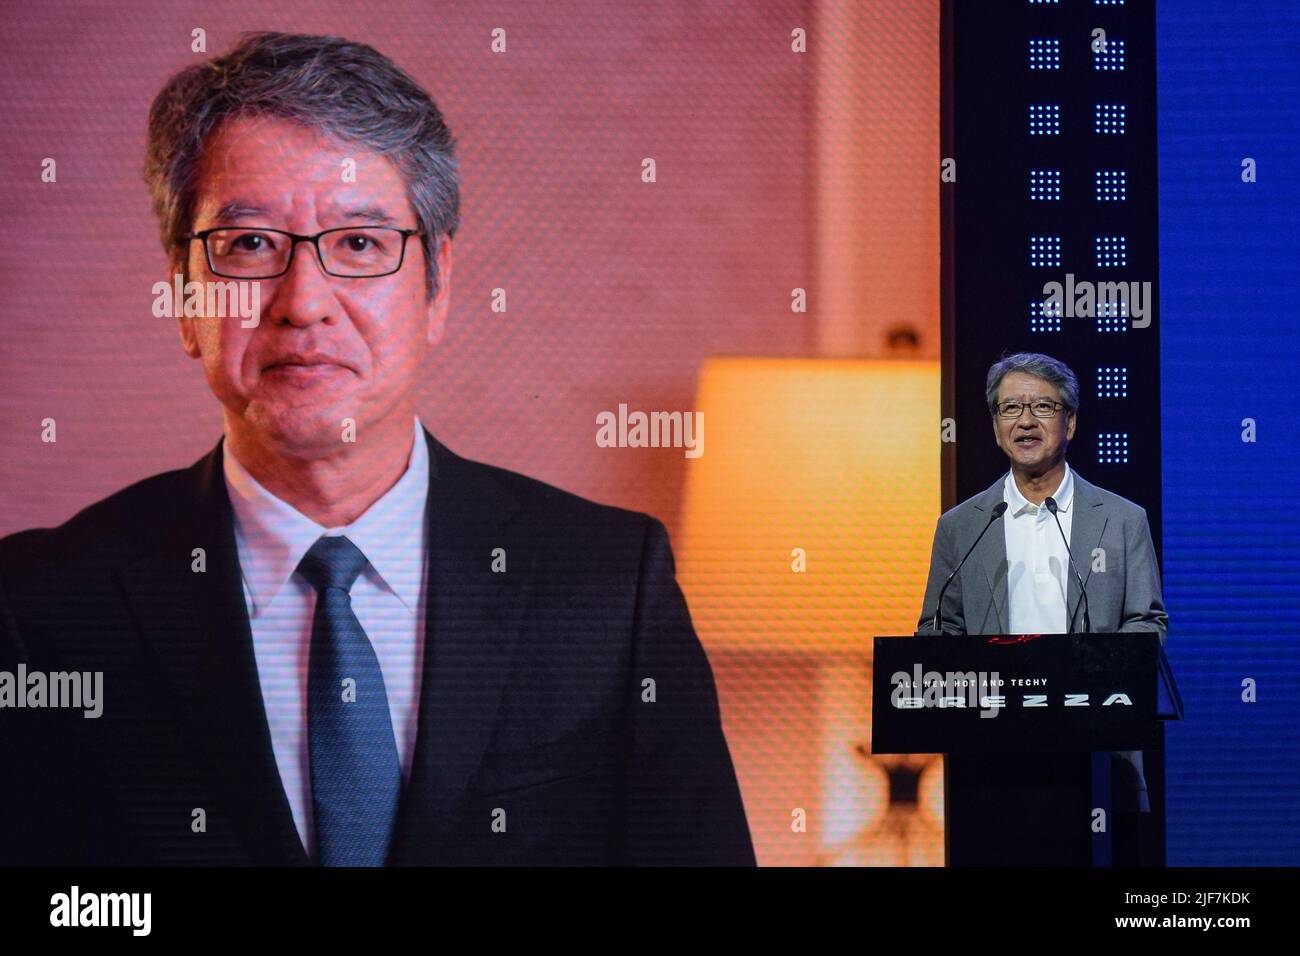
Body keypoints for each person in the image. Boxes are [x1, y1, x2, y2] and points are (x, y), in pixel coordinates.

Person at [0, 32, 754, 867]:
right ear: (183, 298)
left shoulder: (608, 587)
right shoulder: (43, 610)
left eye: (359, 244)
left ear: (437, 287)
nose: (304, 302)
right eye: (250, 245)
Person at [916, 352, 1168, 818]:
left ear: (1070, 423)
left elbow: (1146, 621)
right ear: (995, 426)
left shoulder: (1122, 520)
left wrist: (1090, 680)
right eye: (1011, 408)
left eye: (1044, 408)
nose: (1026, 421)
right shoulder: (960, 527)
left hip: (1098, 754)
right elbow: (938, 632)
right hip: (990, 759)